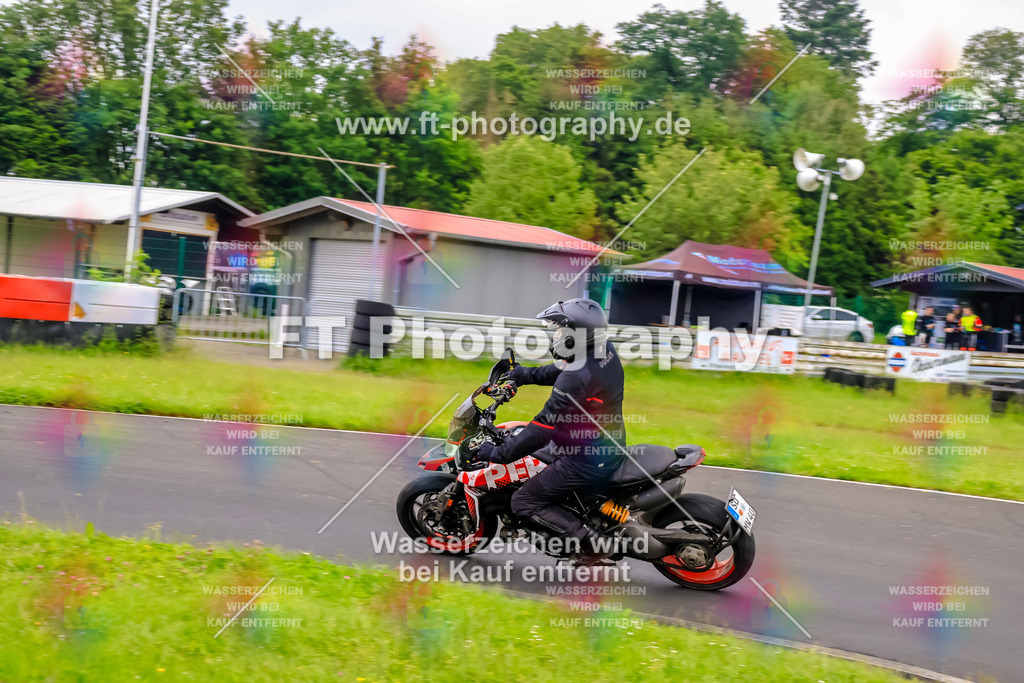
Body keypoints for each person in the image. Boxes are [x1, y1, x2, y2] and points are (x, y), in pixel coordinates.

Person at [475, 298, 625, 552]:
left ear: (574, 336)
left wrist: (498, 454)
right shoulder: (602, 349)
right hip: (603, 443)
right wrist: (526, 375)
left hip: (584, 459)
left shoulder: (574, 380)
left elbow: (542, 429)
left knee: (523, 501)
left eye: (559, 330)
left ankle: (594, 545)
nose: (555, 335)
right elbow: (565, 368)